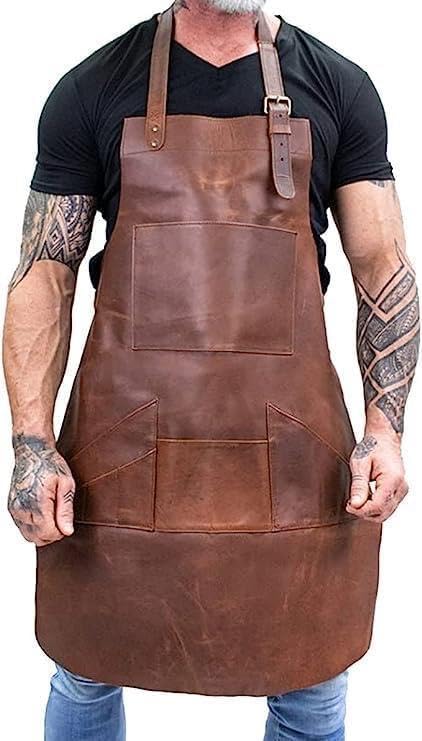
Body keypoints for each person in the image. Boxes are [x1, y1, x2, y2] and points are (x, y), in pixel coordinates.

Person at [3, 1, 419, 739]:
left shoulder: (340, 88)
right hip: (120, 449)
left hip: (295, 448)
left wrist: (386, 431)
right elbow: (44, 273)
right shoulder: (93, 87)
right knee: (87, 663)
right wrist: (31, 443)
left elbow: (383, 268)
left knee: (311, 677)